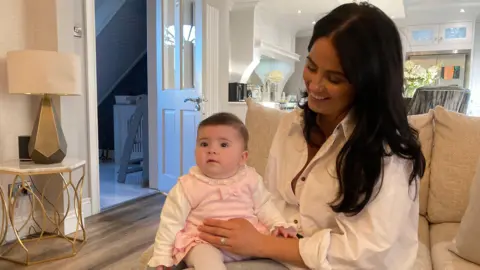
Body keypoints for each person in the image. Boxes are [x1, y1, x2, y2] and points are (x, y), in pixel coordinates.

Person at [197, 2, 426, 270]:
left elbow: (367, 255)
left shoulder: (389, 153)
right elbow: (269, 200)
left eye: (335, 78)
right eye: (311, 66)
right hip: (278, 254)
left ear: (368, 84)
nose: (315, 85)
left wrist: (260, 244)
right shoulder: (291, 126)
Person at [148, 112, 297, 270]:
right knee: (207, 261)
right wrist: (162, 257)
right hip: (205, 242)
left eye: (223, 145)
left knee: (287, 254)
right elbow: (171, 221)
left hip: (249, 241)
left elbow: (264, 206)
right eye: (204, 144)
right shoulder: (188, 185)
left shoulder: (251, 178)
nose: (212, 150)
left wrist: (278, 224)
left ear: (242, 157)